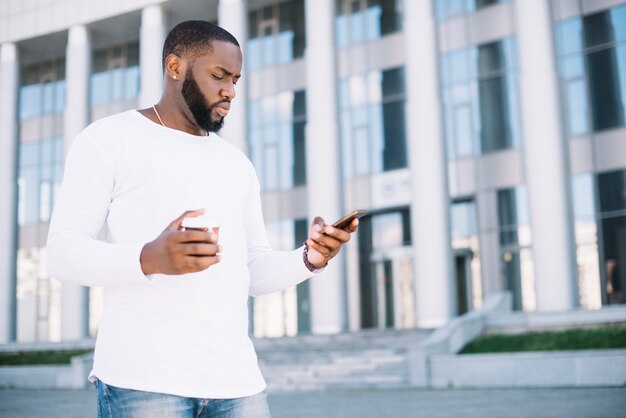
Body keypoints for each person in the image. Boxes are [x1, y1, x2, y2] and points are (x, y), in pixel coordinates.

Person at [46, 20, 358, 418]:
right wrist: (148, 258)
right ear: (175, 67)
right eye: (219, 75)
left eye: (236, 79)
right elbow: (61, 251)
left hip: (239, 386)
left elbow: (252, 272)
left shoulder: (237, 164)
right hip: (145, 383)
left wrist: (310, 258)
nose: (230, 90)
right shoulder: (108, 139)